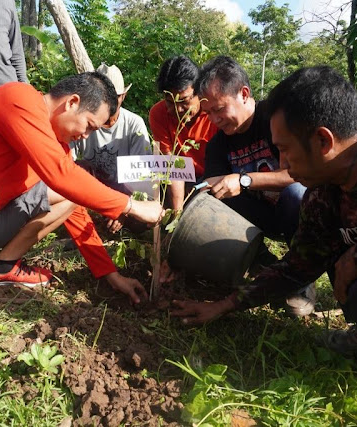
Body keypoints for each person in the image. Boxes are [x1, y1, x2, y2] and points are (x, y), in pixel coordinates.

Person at [171, 66, 357, 426]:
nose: (281, 165)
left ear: (323, 141)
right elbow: (299, 266)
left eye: (284, 150)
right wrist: (224, 305)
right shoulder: (326, 192)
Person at [0, 72, 163, 329]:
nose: (86, 136)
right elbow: (61, 175)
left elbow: (74, 203)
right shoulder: (19, 98)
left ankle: (2, 267)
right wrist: (131, 206)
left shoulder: (55, 145)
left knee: (69, 193)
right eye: (89, 126)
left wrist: (111, 275)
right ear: (72, 102)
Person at [191, 55, 313, 317]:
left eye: (219, 109)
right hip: (259, 219)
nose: (214, 120)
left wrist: (245, 180)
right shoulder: (218, 144)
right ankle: (263, 262)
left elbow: (302, 174)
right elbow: (213, 189)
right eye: (208, 113)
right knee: (213, 196)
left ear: (244, 93)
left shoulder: (277, 118)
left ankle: (302, 275)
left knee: (295, 193)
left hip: (297, 211)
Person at [71, 64, 153, 233]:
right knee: (78, 167)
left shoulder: (133, 124)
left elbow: (142, 177)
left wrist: (124, 208)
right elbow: (65, 163)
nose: (109, 104)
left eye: (114, 97)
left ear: (123, 96)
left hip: (126, 195)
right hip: (94, 192)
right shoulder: (82, 121)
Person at [149, 55, 217, 211]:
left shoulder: (214, 113)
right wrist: (177, 216)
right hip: (180, 181)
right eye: (170, 102)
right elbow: (172, 166)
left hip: (212, 179)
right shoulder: (158, 114)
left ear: (199, 92)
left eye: (184, 101)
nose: (178, 110)